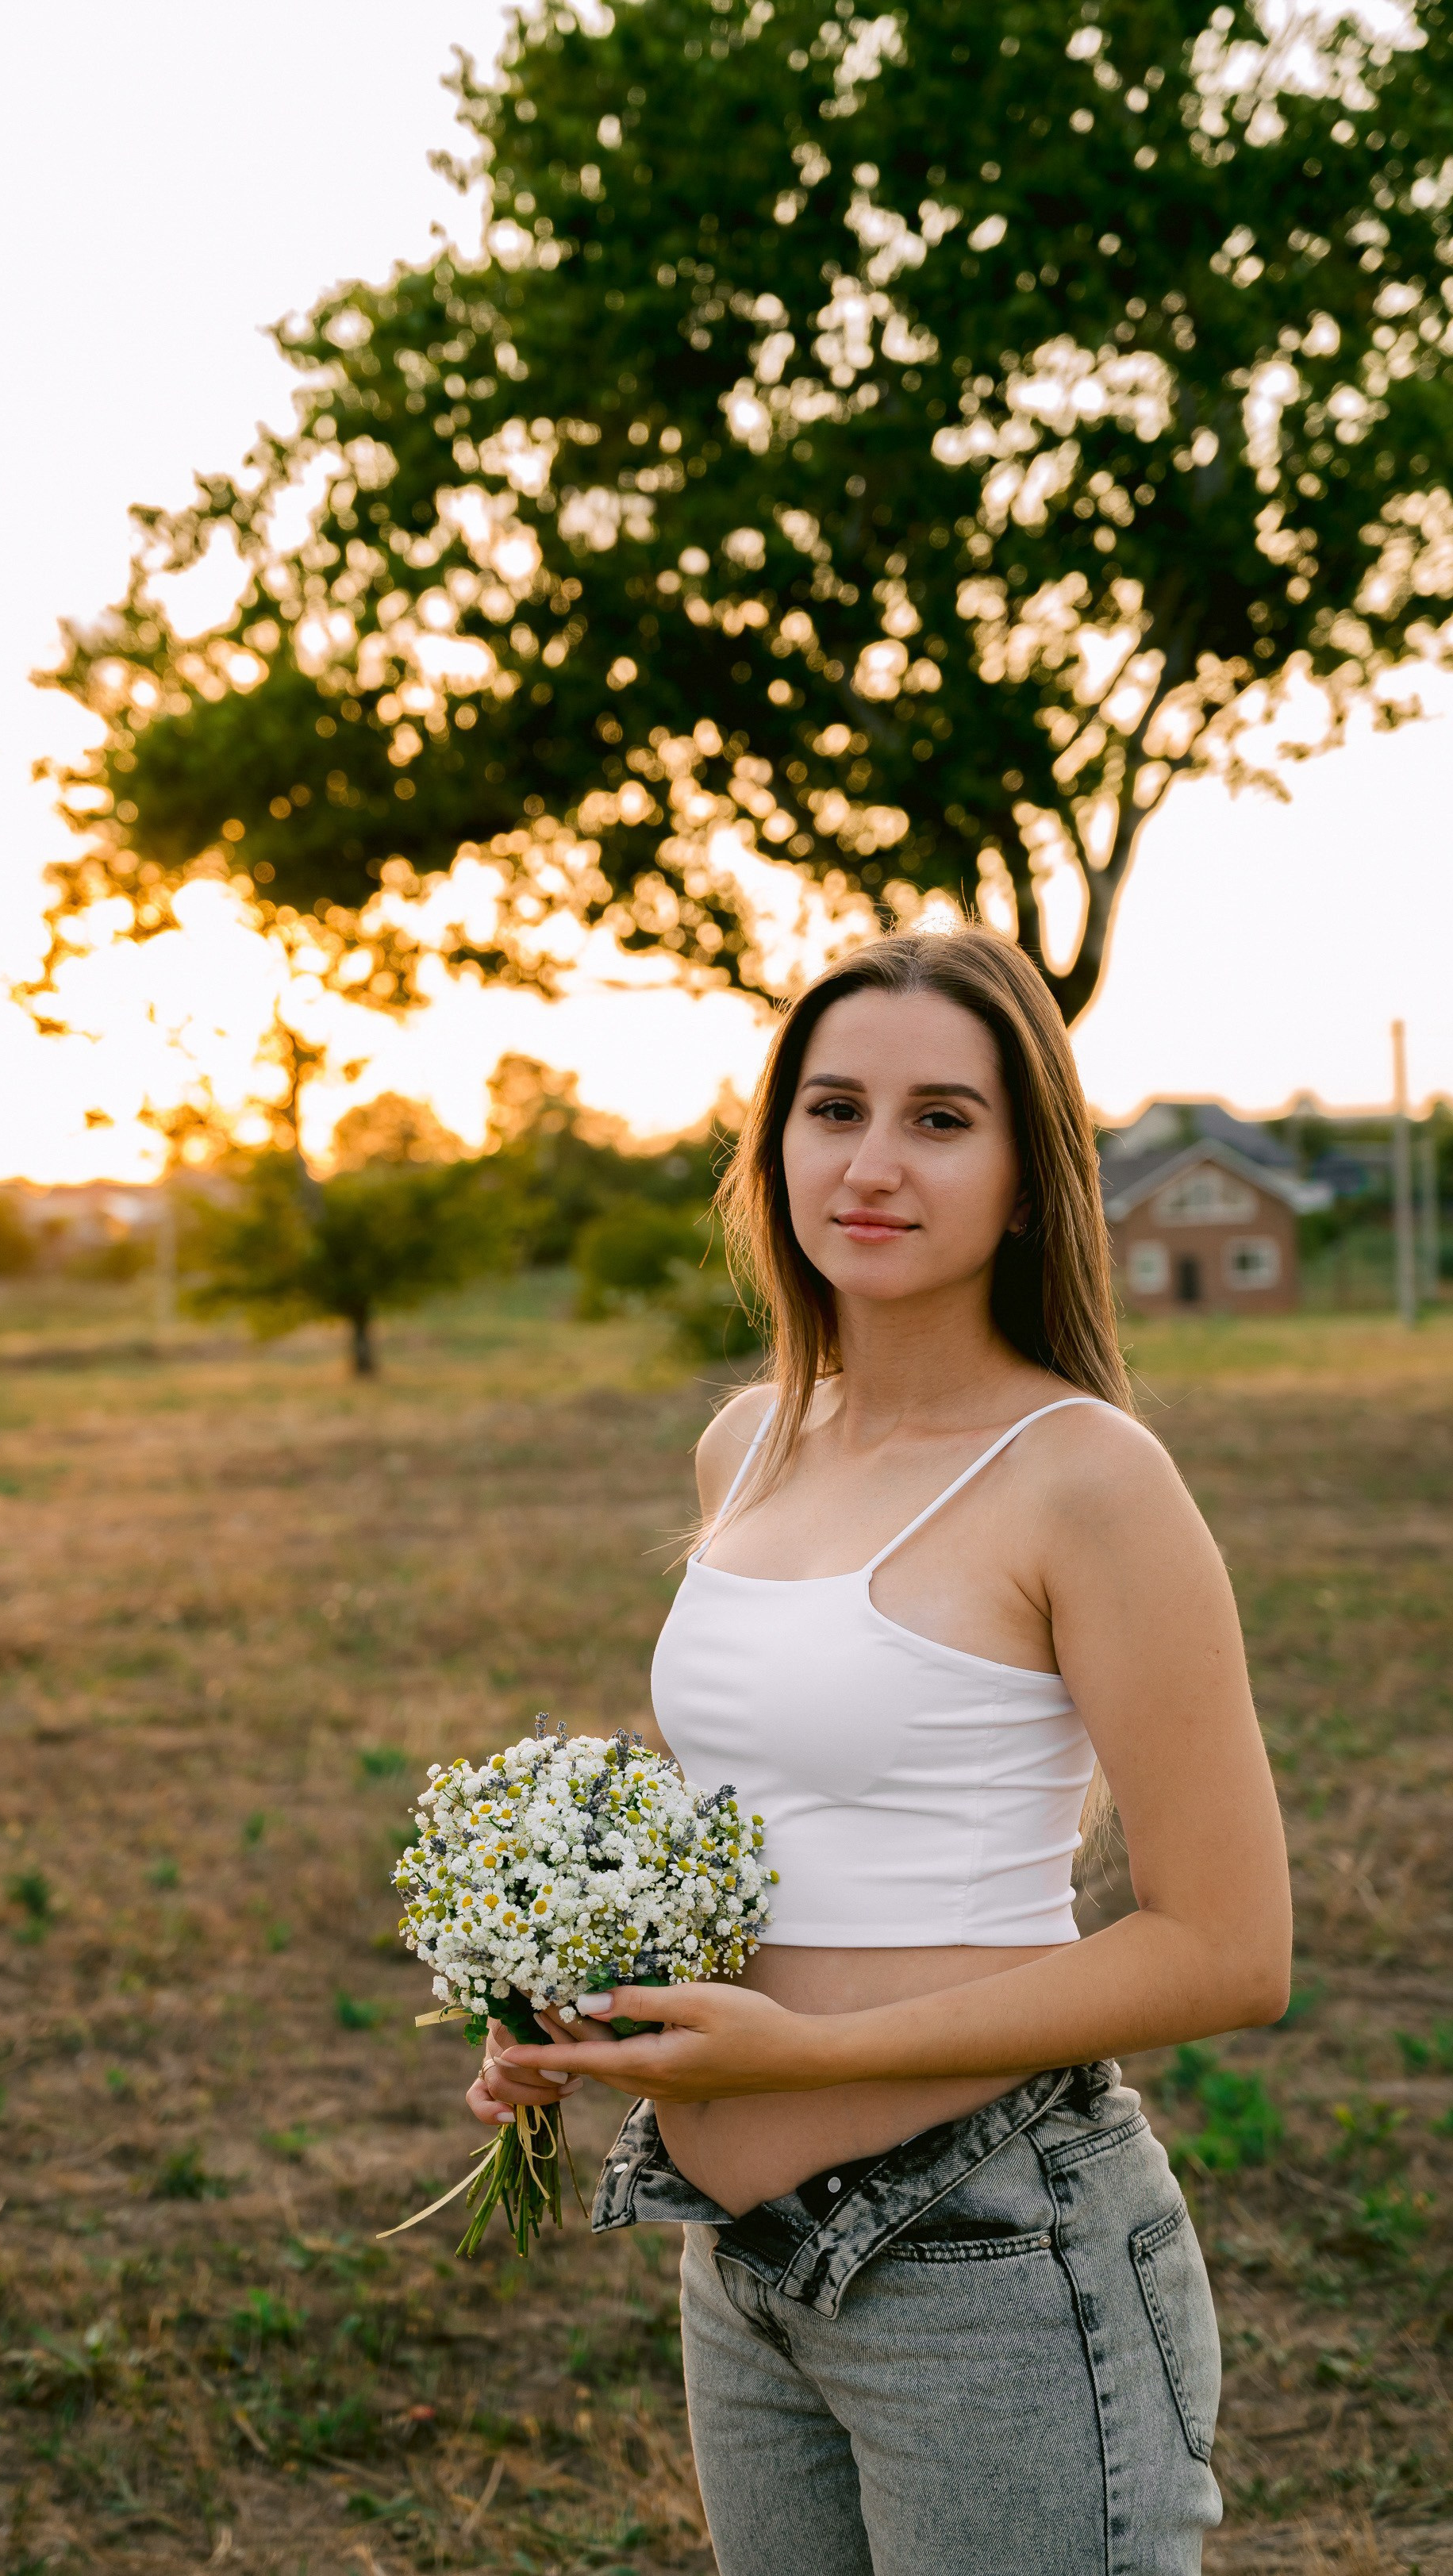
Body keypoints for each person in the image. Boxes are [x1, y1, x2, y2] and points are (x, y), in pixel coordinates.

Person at [467, 925, 1292, 2576]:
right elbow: (774, 1825)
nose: (872, 1164)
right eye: (834, 1107)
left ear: (1029, 1178)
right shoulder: (749, 1442)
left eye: (941, 1119)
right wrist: (571, 2001)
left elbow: (1230, 1948)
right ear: (775, 1143)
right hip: (740, 2266)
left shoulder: (1088, 1476)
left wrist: (805, 2057)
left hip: (992, 2253)